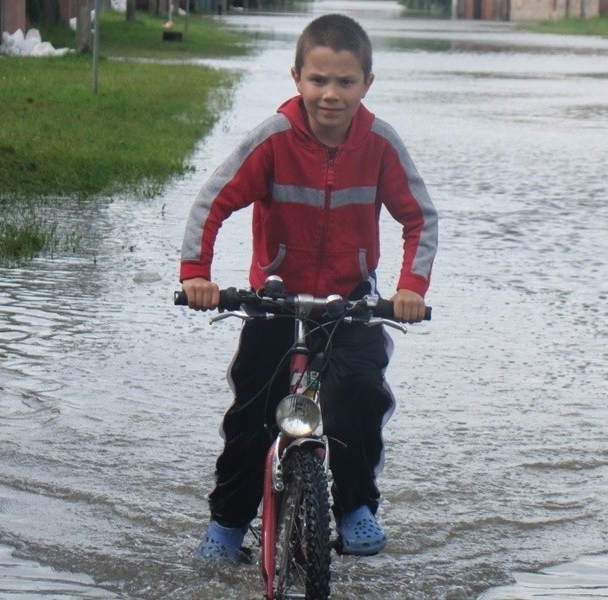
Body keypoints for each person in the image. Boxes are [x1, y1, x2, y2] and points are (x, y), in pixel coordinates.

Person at [179, 13, 438, 561]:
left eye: (345, 82)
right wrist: (196, 275)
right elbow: (212, 202)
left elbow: (420, 219)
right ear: (296, 77)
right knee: (253, 408)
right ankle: (228, 524)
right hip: (274, 300)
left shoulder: (381, 145)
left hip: (351, 302)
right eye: (318, 80)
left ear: (367, 84)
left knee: (360, 395)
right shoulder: (273, 139)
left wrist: (409, 286)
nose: (330, 94)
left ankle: (353, 507)